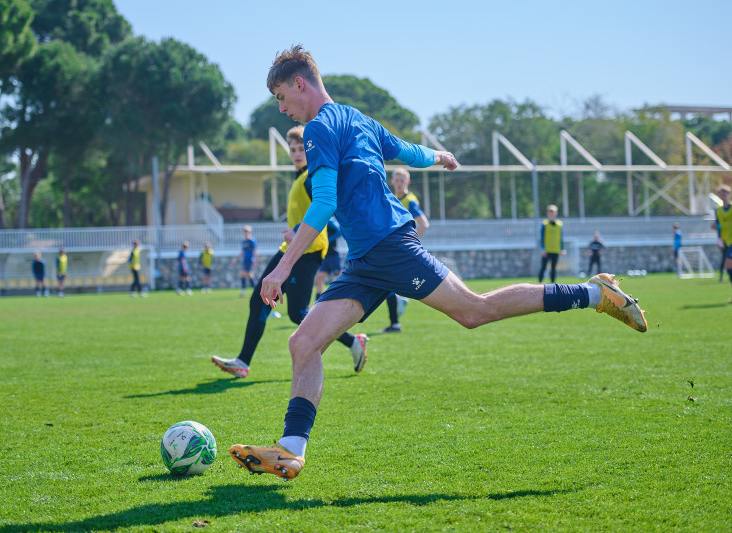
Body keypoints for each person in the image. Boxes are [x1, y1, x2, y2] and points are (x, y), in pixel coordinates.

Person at [228, 45, 647, 481]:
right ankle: (291, 450)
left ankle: (594, 293)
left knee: (475, 310)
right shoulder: (357, 119)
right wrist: (438, 156)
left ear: (299, 83)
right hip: (366, 259)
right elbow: (406, 151)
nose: (282, 109)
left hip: (389, 246)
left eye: (281, 97)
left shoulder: (318, 129)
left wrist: (282, 268)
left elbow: (325, 202)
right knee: (303, 342)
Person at [211, 125, 368, 379]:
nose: (297, 153)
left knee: (292, 310)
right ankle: (243, 362)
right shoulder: (299, 178)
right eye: (293, 149)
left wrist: (297, 230)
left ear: (312, 149)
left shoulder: (312, 178)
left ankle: (352, 341)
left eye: (302, 148)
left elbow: (330, 215)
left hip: (308, 252)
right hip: (292, 250)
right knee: (270, 303)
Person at [378, 167, 429, 333]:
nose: (399, 183)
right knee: (386, 283)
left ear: (407, 182)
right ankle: (398, 307)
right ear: (392, 181)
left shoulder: (410, 200)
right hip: (392, 247)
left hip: (400, 249)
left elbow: (423, 224)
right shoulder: (393, 198)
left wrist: (411, 244)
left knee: (386, 282)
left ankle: (396, 317)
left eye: (402, 180)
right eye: (397, 180)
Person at [713, 185, 732, 302]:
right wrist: (719, 238)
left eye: (725, 194)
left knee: (729, 265)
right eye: (721, 194)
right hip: (727, 242)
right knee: (729, 266)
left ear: (730, 195)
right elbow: (718, 225)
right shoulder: (718, 210)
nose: (723, 196)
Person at [313, 218, 342, 299]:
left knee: (337, 277)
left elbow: (339, 232)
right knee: (319, 277)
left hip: (333, 254)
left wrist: (328, 240)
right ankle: (318, 300)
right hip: (324, 255)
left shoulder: (329, 221)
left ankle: (337, 298)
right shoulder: (317, 221)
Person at [538, 205, 565, 283]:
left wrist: (562, 248)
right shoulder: (545, 224)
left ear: (556, 213)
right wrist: (543, 249)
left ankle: (552, 283)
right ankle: (540, 282)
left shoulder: (559, 224)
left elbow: (561, 237)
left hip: (556, 249)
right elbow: (542, 237)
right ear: (547, 213)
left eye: (553, 212)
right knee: (543, 267)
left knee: (553, 268)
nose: (552, 213)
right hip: (547, 250)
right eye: (550, 212)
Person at [232, 225, 257, 297]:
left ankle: (244, 291)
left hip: (250, 259)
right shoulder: (244, 241)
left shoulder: (252, 241)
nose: (246, 233)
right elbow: (242, 252)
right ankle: (255, 290)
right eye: (245, 231)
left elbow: (255, 251)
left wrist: (255, 261)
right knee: (249, 275)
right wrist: (236, 259)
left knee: (243, 274)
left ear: (249, 232)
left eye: (247, 231)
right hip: (245, 259)